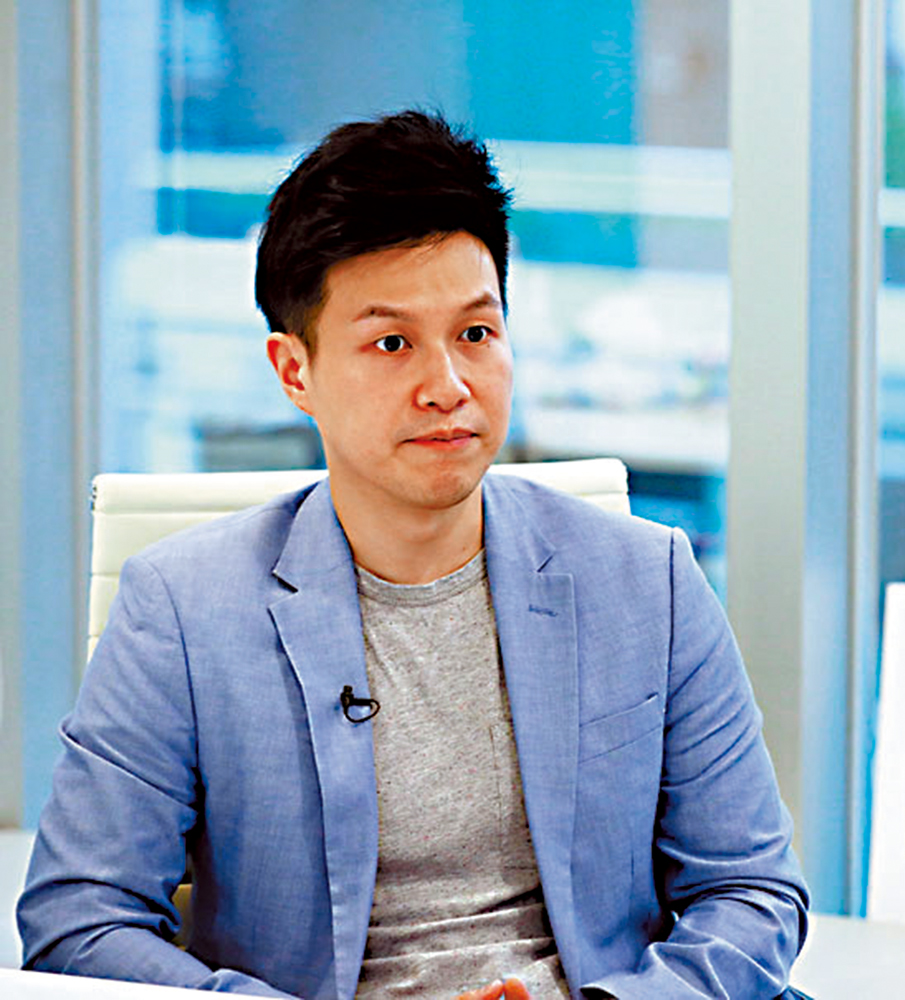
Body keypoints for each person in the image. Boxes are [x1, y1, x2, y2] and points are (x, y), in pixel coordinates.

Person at [18, 110, 809, 1000]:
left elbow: (752, 891)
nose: (449, 386)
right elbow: (78, 921)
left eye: (476, 334)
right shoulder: (182, 607)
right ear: (294, 370)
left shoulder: (648, 581)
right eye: (392, 343)